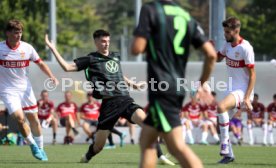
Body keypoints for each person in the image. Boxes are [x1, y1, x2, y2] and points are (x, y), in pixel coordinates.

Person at [45, 29, 174, 165]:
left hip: (125, 99)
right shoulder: (91, 59)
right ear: (96, 42)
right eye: (103, 41)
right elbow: (67, 67)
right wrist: (53, 49)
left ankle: (159, 157)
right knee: (98, 146)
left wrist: (133, 85)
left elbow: (119, 73)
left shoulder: (115, 56)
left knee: (147, 123)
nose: (106, 44)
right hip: (109, 105)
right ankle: (87, 156)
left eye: (108, 41)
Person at [131, 0, 217, 167]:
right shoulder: (186, 16)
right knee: (147, 141)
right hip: (176, 87)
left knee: (176, 146)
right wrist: (201, 83)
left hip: (162, 87)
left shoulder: (150, 9)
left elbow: (136, 48)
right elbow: (211, 54)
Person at [0, 20, 58, 161]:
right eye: (15, 32)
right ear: (8, 33)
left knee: (34, 120)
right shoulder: (0, 48)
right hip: (7, 90)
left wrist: (51, 76)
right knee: (20, 119)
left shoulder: (27, 48)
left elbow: (41, 63)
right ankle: (33, 146)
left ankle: (41, 149)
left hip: (25, 89)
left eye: (20, 32)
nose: (19, 35)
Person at [216, 17, 255, 164]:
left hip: (242, 90)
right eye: (224, 31)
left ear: (236, 31)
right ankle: (229, 155)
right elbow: (218, 58)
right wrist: (209, 50)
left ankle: (224, 145)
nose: (224, 34)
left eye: (227, 32)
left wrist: (246, 97)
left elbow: (253, 75)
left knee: (220, 107)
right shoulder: (227, 45)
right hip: (231, 88)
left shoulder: (245, 48)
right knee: (220, 122)